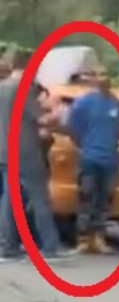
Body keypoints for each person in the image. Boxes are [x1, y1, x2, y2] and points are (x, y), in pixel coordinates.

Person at [0, 62, 74, 262]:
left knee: (9, 200)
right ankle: (50, 247)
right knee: (40, 197)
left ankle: (8, 247)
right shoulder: (22, 89)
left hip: (5, 151)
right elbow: (42, 119)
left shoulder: (2, 88)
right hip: (25, 151)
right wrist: (57, 112)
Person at [67, 68, 119, 254]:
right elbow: (72, 129)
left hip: (110, 160)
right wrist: (83, 146)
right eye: (99, 74)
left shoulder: (116, 104)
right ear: (92, 79)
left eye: (106, 74)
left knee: (105, 201)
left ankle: (99, 237)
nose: (103, 78)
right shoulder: (82, 103)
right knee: (86, 198)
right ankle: (83, 239)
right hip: (89, 158)